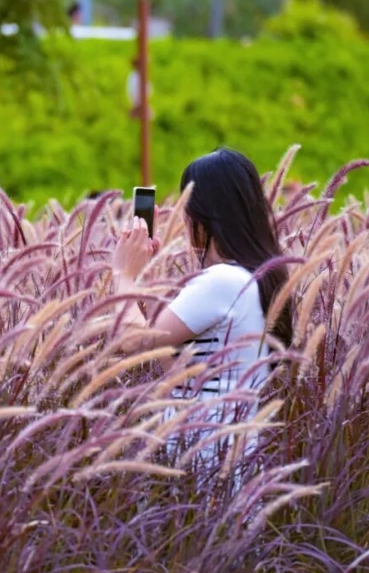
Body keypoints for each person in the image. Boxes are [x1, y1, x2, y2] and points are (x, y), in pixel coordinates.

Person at [112, 148, 293, 473]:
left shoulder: (221, 281)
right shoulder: (253, 278)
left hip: (201, 466)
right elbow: (178, 370)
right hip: (223, 461)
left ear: (200, 216)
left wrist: (123, 274)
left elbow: (131, 342)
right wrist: (136, 282)